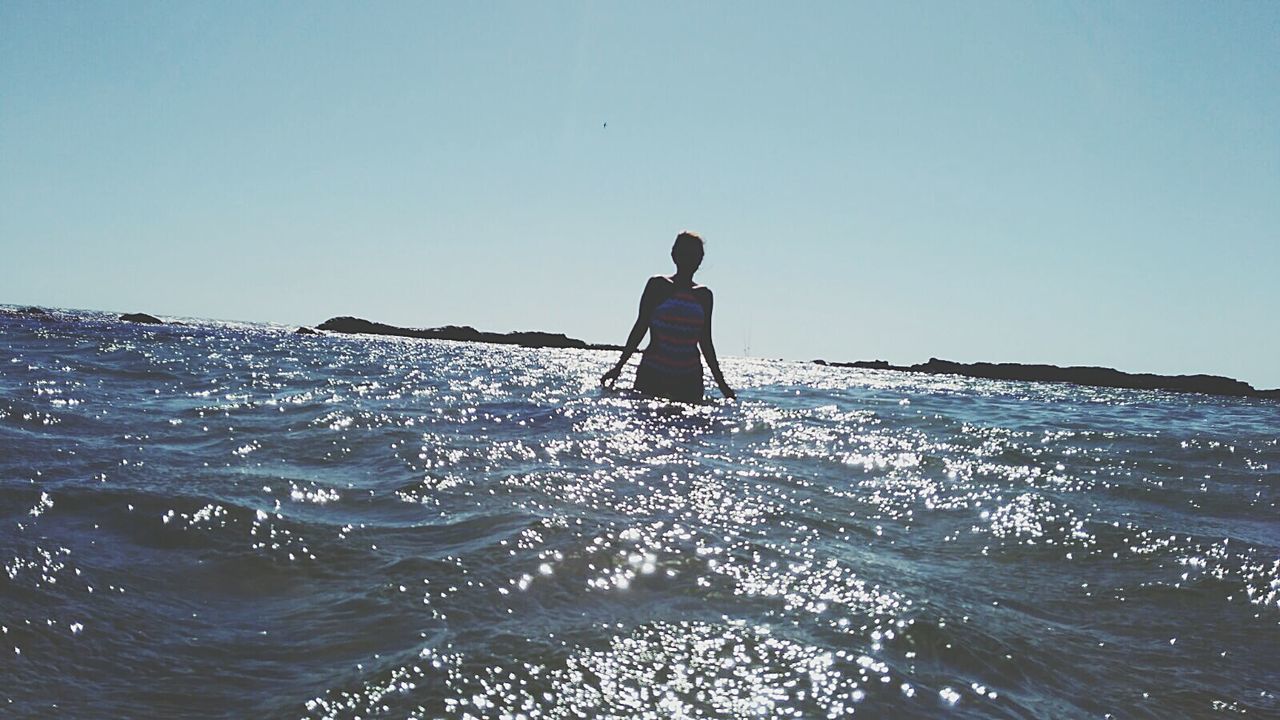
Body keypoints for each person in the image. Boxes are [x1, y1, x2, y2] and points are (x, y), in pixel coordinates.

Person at [600, 231, 735, 402]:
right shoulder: (658, 285)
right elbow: (641, 326)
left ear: (700, 259)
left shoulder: (704, 295)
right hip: (653, 372)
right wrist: (619, 366)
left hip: (689, 378)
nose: (689, 259)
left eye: (695, 255)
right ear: (674, 255)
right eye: (684, 253)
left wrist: (722, 384)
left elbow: (705, 341)